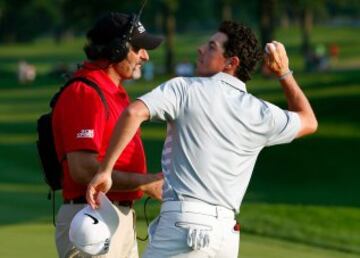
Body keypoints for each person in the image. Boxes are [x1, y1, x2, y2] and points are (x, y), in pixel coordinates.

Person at [87, 21, 318, 257]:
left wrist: (105, 171)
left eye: (211, 47)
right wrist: (284, 73)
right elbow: (309, 121)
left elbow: (133, 112)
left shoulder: (184, 88)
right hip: (226, 235)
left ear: (231, 62)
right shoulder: (261, 112)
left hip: (184, 225)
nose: (200, 49)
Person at [52, 12, 164, 258]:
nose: (145, 56)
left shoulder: (113, 92)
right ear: (116, 49)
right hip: (91, 222)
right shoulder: (85, 93)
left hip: (114, 218)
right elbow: (81, 170)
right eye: (138, 48)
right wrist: (144, 183)